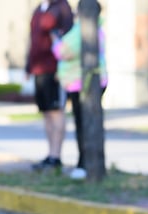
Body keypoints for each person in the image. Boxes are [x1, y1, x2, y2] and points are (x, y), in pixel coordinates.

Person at [52, 8, 108, 180]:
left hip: (81, 83)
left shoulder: (80, 30)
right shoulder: (98, 29)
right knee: (87, 124)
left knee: (83, 125)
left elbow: (63, 51)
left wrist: (55, 40)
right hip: (89, 81)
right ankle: (87, 163)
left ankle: (84, 164)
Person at [25, 0, 74, 172]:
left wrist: (63, 68)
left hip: (55, 70)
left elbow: (68, 39)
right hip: (39, 69)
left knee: (56, 111)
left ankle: (56, 156)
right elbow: (33, 40)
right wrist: (28, 66)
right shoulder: (39, 9)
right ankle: (50, 154)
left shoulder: (62, 7)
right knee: (46, 113)